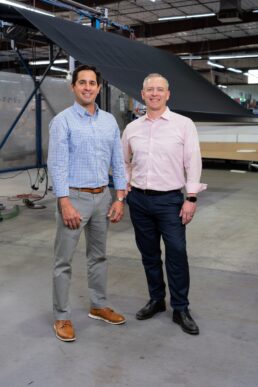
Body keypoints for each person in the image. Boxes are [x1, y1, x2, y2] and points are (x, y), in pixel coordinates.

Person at [122, 73, 207, 335]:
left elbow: (193, 162)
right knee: (149, 254)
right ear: (143, 94)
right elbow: (124, 161)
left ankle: (180, 307)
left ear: (168, 94)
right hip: (138, 200)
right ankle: (157, 300)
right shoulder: (132, 128)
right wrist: (125, 188)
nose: (155, 94)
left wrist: (190, 198)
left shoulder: (183, 125)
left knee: (177, 254)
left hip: (170, 200)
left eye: (160, 90)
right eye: (150, 90)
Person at [48, 64, 127, 342]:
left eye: (92, 82)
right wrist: (64, 202)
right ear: (73, 87)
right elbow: (57, 164)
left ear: (98, 87)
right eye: (82, 82)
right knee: (63, 261)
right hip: (75, 197)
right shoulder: (63, 121)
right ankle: (61, 316)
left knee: (99, 256)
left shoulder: (108, 122)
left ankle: (98, 305)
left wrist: (119, 197)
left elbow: (118, 161)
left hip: (103, 197)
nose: (87, 87)